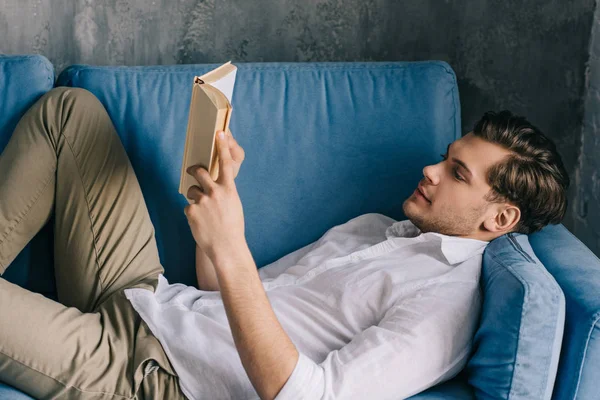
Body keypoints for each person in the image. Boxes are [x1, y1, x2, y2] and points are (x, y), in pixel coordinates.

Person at [0, 87, 569, 400]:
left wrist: (231, 247)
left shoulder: (443, 308)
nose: (430, 170)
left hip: (152, 375)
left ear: (499, 218)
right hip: (155, 301)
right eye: (446, 158)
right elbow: (220, 287)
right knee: (70, 114)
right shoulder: (379, 228)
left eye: (456, 173)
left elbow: (309, 398)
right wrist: (219, 192)